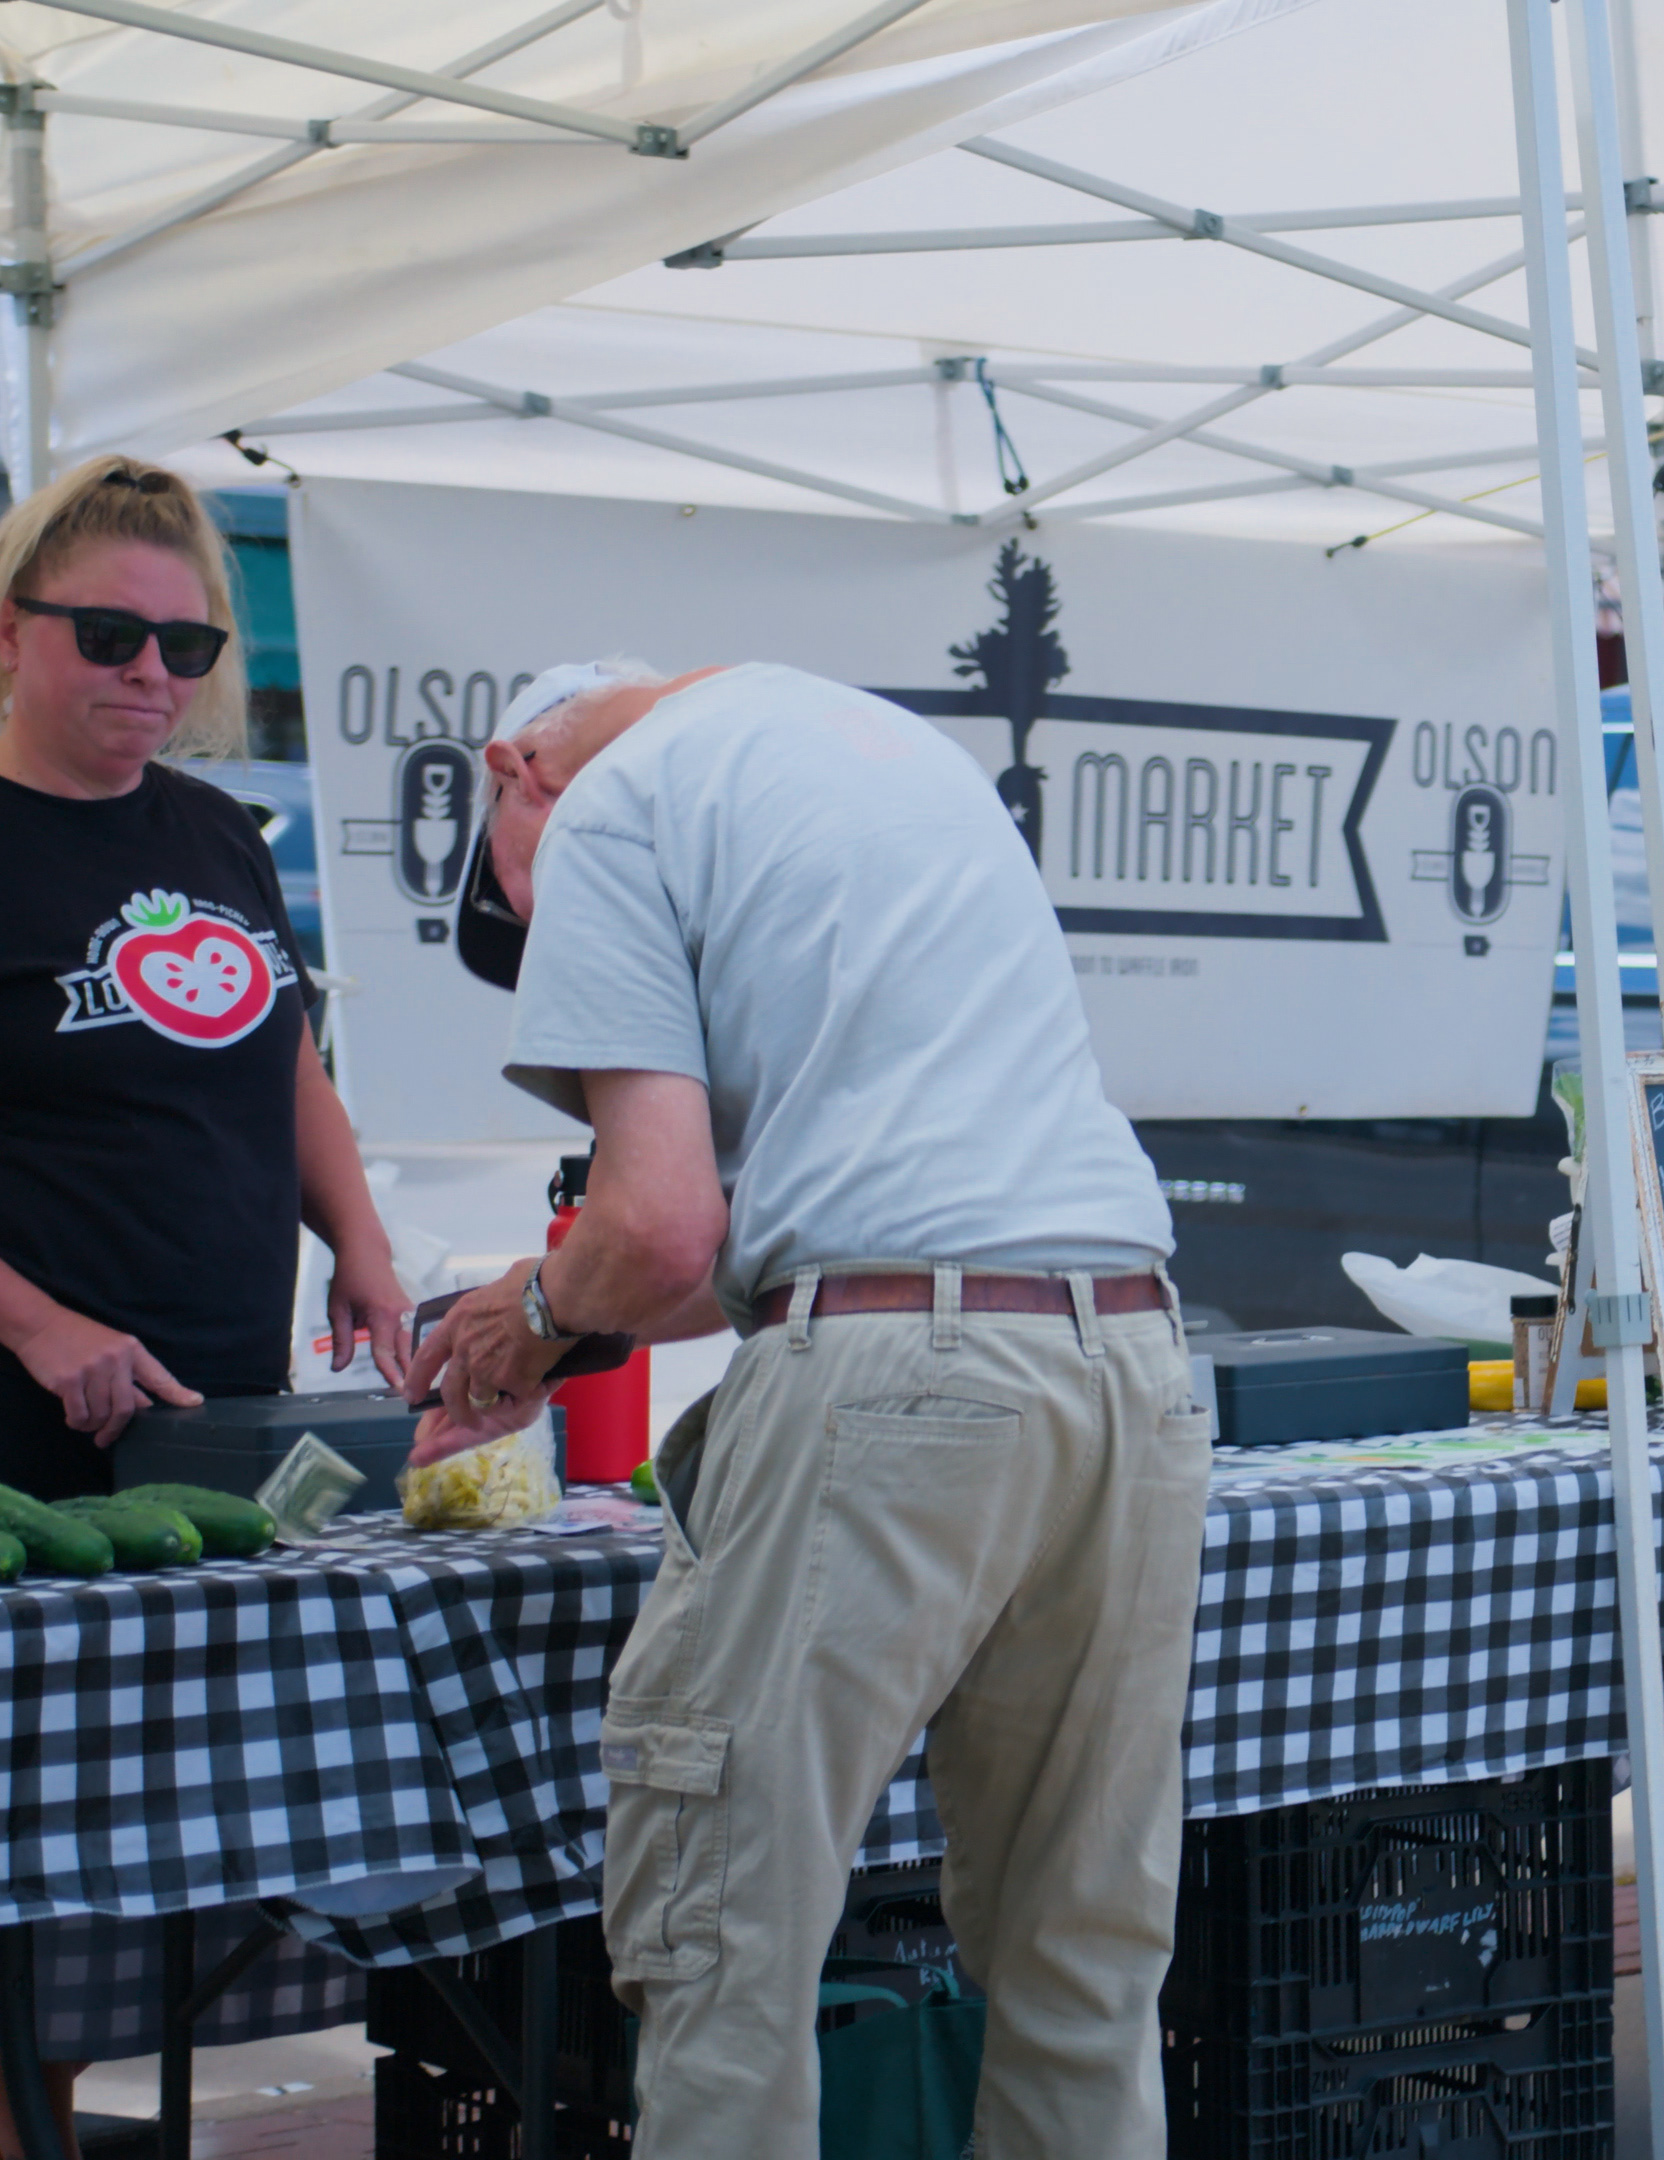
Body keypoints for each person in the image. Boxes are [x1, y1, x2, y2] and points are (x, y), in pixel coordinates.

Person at [404, 659, 1207, 2160]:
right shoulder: (890, 755)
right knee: (1082, 1956)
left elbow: (655, 1230)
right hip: (1128, 1357)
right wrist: (549, 1310)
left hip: (904, 1385)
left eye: (518, 920)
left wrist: (529, 1314)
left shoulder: (602, 811)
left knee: (725, 1952)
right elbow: (810, 1219)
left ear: (519, 773)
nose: (540, 945)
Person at [0, 460, 412, 2159]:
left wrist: (366, 1246)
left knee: (178, 1818)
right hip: (27, 1427)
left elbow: (288, 1061)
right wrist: (30, 1322)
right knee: (16, 1834)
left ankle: (172, 2120)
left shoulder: (219, 834)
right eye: (108, 635)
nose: (150, 679)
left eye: (184, 648)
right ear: (12, 632)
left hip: (223, 1418)